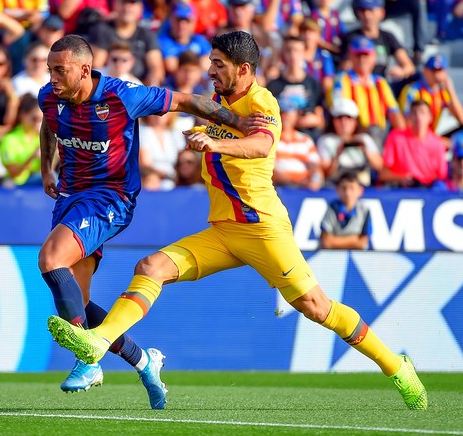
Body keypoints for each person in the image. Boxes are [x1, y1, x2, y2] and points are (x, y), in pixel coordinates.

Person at [46, 31, 428, 412]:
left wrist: (216, 144)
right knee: (151, 266)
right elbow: (205, 115)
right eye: (211, 62)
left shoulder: (263, 101)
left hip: (261, 228)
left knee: (316, 306)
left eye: (218, 64)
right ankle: (97, 344)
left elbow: (261, 144)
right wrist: (203, 135)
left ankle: (397, 367)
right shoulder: (220, 101)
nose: (210, 70)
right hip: (224, 230)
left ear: (243, 69)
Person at [38, 34, 270, 409]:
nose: (53, 78)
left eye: (60, 71)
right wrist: (46, 167)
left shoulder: (121, 96)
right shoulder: (50, 97)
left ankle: (88, 360)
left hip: (110, 197)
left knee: (51, 261)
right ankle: (145, 362)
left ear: (84, 69)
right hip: (69, 198)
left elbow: (184, 100)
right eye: (50, 70)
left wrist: (240, 121)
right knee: (76, 302)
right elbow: (49, 124)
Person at [379, 99, 449, 188]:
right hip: (401, 189)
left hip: (428, 190)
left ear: (430, 117)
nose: (418, 117)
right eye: (414, 113)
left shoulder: (437, 143)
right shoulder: (396, 137)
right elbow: (383, 174)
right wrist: (400, 178)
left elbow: (442, 176)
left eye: (422, 113)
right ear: (409, 117)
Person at [317, 98, 382, 187]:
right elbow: (325, 173)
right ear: (333, 121)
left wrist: (365, 151)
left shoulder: (364, 139)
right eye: (340, 118)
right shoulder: (326, 141)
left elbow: (379, 167)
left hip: (361, 185)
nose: (344, 123)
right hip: (335, 185)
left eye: (348, 118)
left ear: (355, 121)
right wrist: (337, 155)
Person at [398, 55, 463, 133]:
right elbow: (405, 122)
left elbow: (461, 118)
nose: (437, 74)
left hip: (431, 136)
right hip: (414, 135)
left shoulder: (443, 93)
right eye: (434, 70)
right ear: (425, 71)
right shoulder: (413, 90)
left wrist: (451, 90)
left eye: (440, 70)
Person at [320, 171, 371, 250]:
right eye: (344, 188)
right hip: (332, 258)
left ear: (360, 190)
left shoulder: (364, 210)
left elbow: (362, 242)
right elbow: (326, 242)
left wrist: (335, 240)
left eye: (352, 188)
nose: (348, 193)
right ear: (337, 190)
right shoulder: (333, 208)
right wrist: (353, 239)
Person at [0, 93, 43, 186]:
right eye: (34, 118)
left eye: (41, 119)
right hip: (15, 182)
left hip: (34, 179)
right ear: (23, 115)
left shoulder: (41, 137)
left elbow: (49, 169)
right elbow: (14, 173)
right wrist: (32, 157)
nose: (38, 123)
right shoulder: (10, 139)